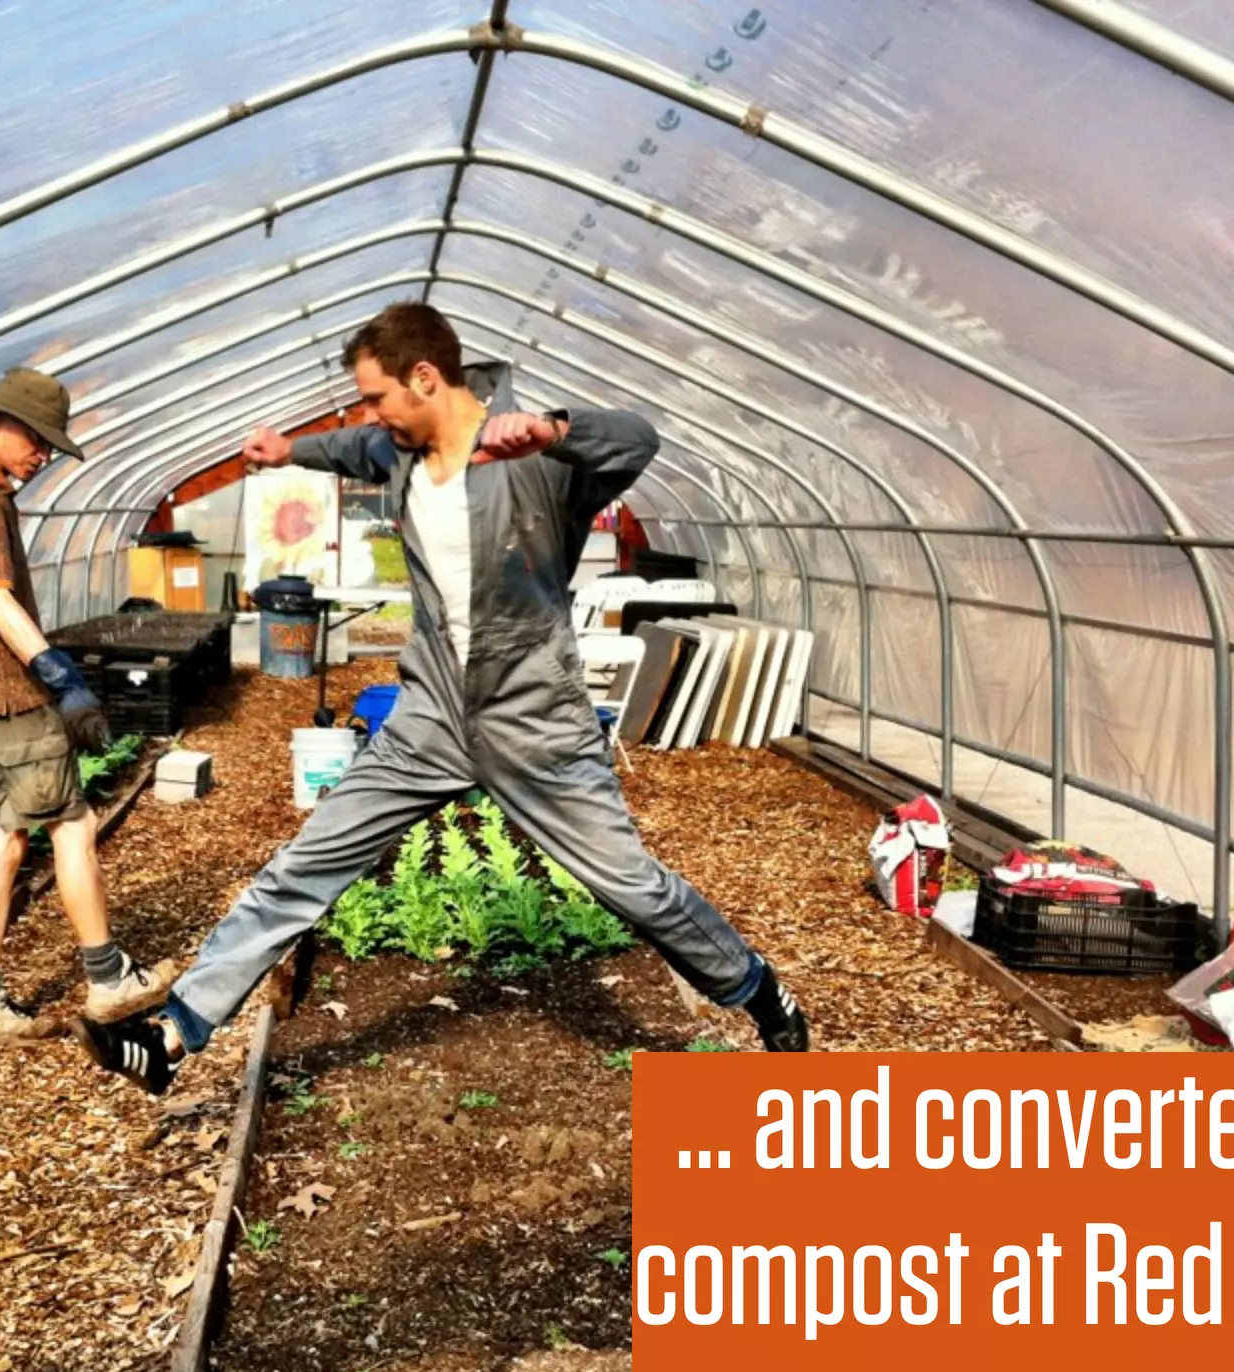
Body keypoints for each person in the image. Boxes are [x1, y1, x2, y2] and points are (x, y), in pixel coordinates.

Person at [72, 304, 808, 1093]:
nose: (368, 416)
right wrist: (289, 450)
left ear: (425, 378)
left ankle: (761, 993)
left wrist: (555, 429)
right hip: (431, 717)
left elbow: (637, 440)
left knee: (629, 885)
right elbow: (347, 446)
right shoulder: (396, 452)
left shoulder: (534, 461)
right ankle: (173, 1035)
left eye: (377, 397)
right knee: (305, 865)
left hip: (536, 719)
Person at [0, 366, 178, 1043]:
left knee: (1, 840)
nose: (43, 457)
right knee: (74, 826)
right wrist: (58, 677)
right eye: (41, 444)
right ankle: (110, 979)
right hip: (0, 696)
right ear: (9, 426)